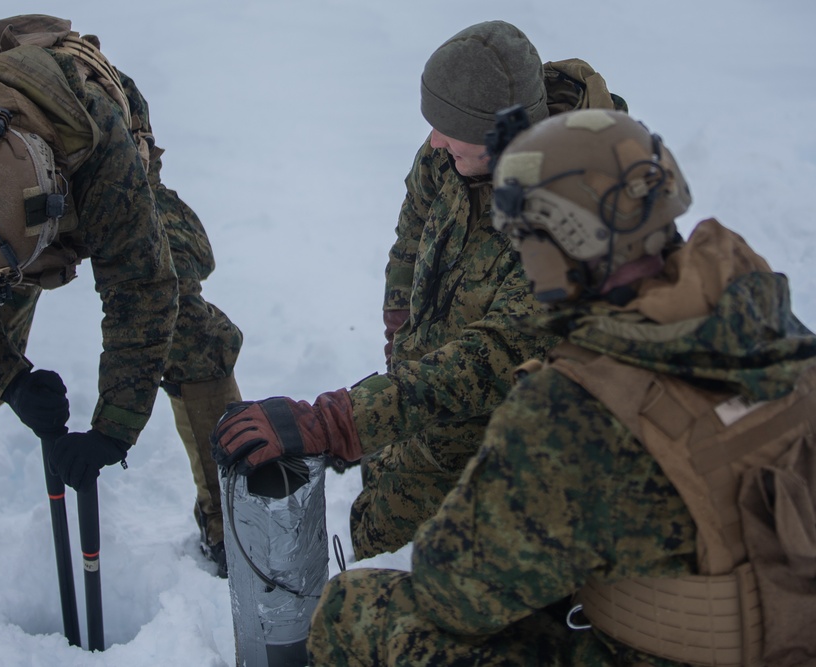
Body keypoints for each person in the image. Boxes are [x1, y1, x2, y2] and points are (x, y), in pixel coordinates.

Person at [302, 108, 816, 665]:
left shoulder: (577, 410)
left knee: (352, 609)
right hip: (787, 629)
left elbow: (453, 594)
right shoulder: (772, 328)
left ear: (554, 242)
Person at [212, 20, 625, 560]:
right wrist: (399, 326)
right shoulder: (457, 149)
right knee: (379, 508)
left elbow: (495, 357)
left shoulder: (574, 220)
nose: (434, 140)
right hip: (420, 403)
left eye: (451, 128)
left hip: (507, 452)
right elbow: (413, 228)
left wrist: (337, 421)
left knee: (401, 578)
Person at [0, 15, 242, 576]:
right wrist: (12, 380)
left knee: (185, 330)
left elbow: (140, 290)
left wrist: (113, 428)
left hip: (92, 148)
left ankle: (229, 523)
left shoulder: (97, 149)